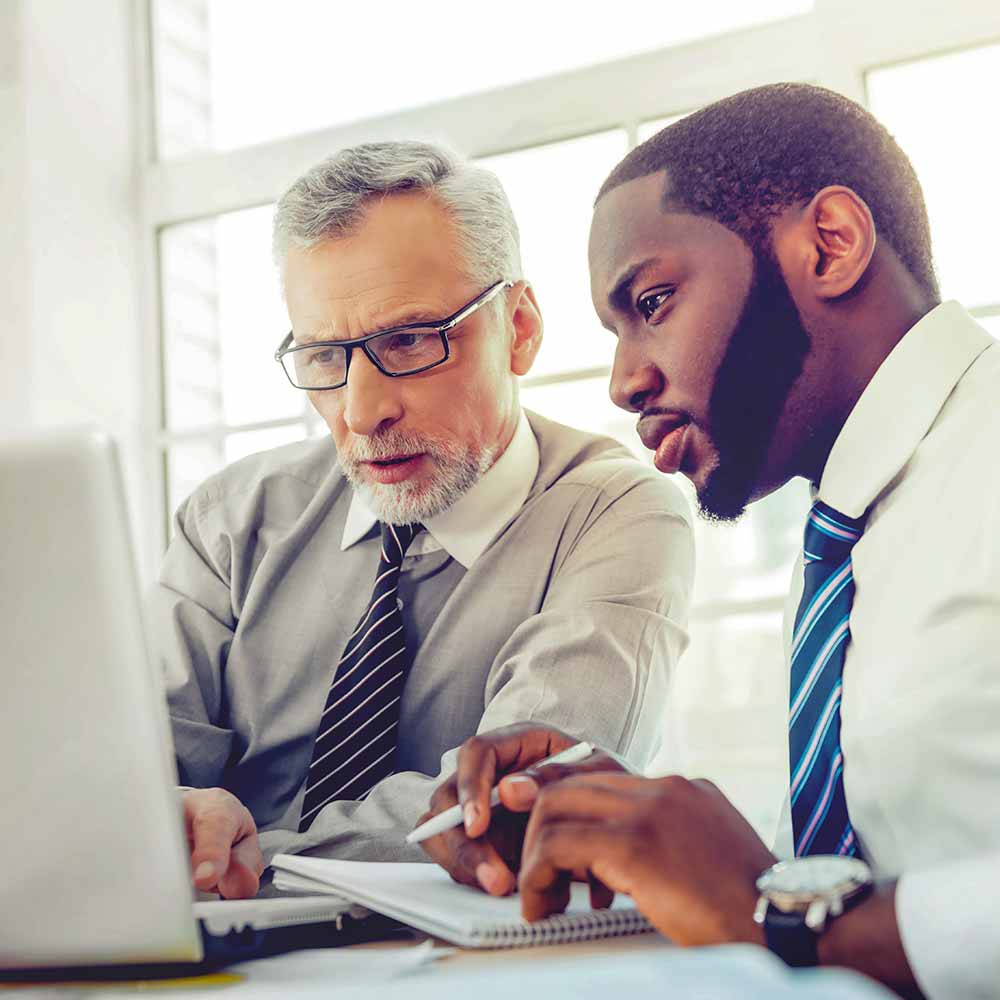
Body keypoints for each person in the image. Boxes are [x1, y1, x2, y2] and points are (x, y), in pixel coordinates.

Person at [420, 84, 1000, 998]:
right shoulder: (846, 540)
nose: (622, 381)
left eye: (652, 301)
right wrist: (637, 828)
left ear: (830, 244)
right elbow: (923, 867)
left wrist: (788, 921)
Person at [152, 141, 694, 900]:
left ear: (521, 328)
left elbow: (513, 806)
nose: (363, 410)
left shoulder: (618, 513)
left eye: (408, 341)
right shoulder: (229, 521)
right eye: (322, 357)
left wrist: (243, 856)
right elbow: (127, 781)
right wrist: (164, 821)